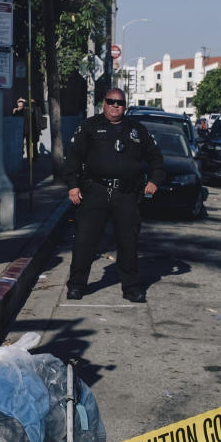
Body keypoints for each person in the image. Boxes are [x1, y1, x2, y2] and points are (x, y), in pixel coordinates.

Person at [64, 89, 165, 303]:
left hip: (125, 194)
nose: (115, 105)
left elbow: (156, 158)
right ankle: (76, 285)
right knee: (84, 241)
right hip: (95, 192)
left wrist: (154, 180)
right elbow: (73, 157)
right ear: (104, 104)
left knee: (128, 242)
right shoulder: (89, 127)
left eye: (119, 102)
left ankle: (131, 288)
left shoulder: (137, 130)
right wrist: (73, 186)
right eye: (111, 101)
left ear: (125, 105)